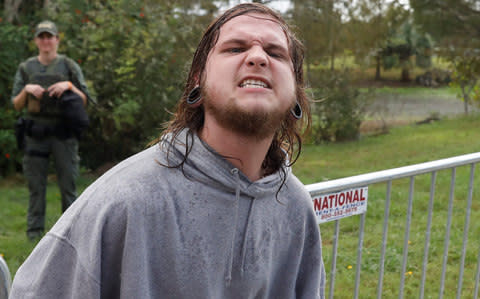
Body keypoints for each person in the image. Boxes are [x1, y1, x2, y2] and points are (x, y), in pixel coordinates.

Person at [10, 3, 325, 298]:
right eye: (235, 48)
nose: (258, 58)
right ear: (196, 81)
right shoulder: (123, 202)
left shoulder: (296, 207)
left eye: (275, 52)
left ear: (296, 91)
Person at [10, 20, 93, 241]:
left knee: (68, 184)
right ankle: (34, 234)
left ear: (57, 39)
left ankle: (72, 234)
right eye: (42, 36)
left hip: (63, 134)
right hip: (35, 134)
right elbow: (16, 105)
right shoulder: (26, 68)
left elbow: (85, 100)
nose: (46, 40)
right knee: (36, 187)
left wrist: (68, 86)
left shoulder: (68, 66)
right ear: (36, 40)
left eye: (50, 36)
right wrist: (27, 89)